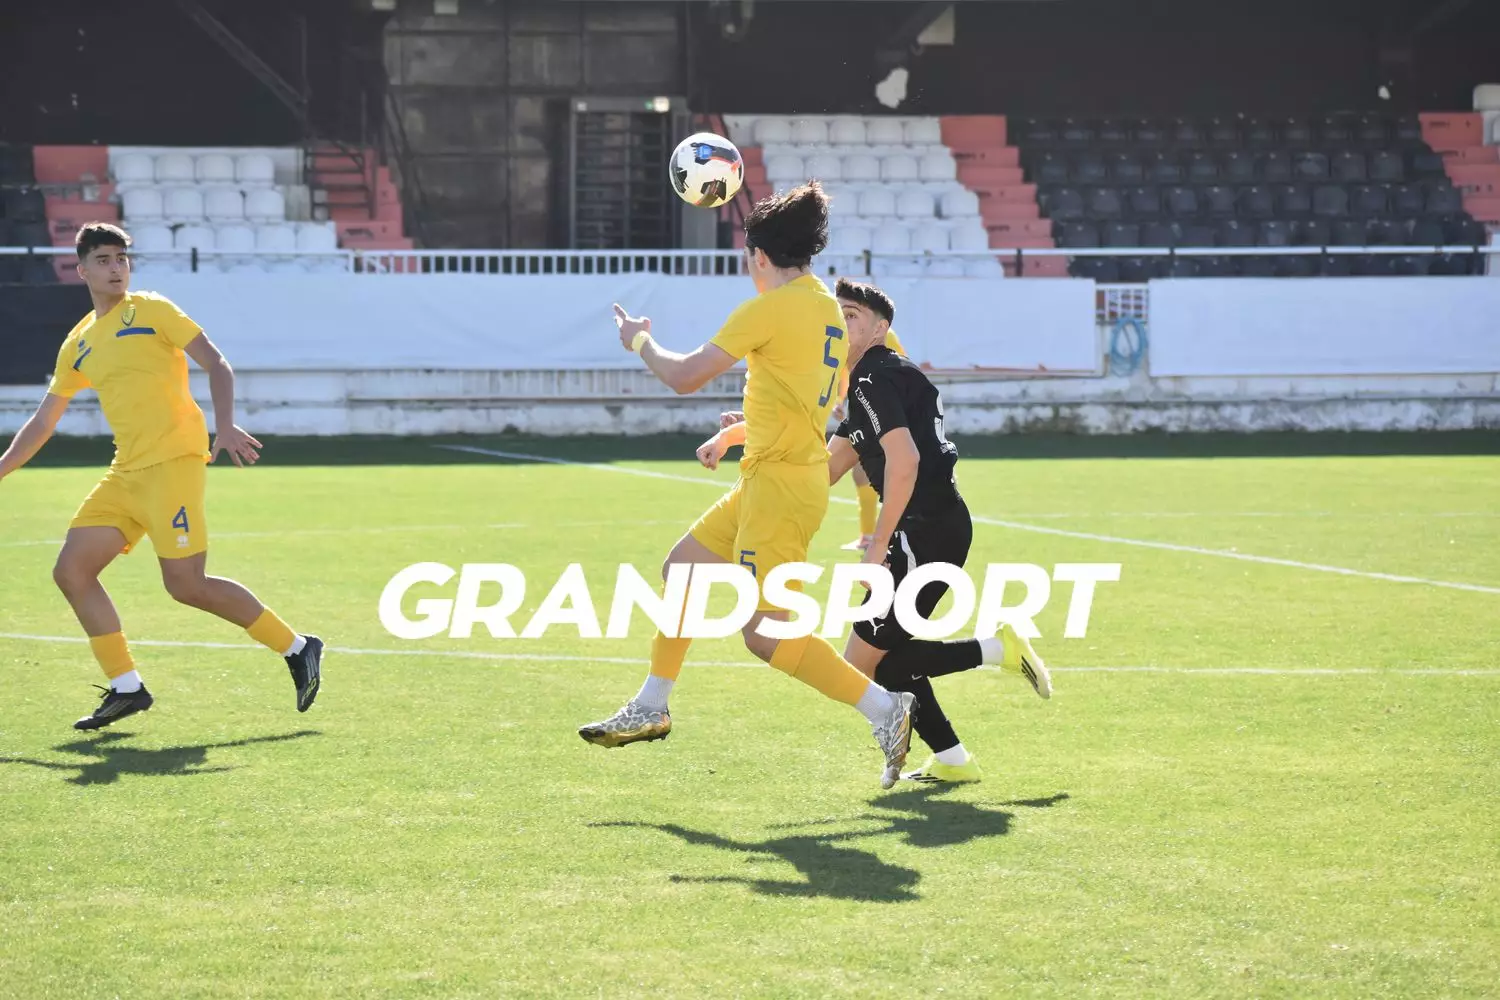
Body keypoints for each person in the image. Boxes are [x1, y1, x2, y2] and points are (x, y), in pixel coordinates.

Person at [576, 182, 917, 789]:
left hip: (780, 489)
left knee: (766, 635)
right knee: (683, 568)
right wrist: (745, 430)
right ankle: (652, 704)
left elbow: (685, 376)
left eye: (747, 257)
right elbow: (804, 394)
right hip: (774, 476)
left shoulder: (768, 308)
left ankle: (885, 708)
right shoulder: (826, 306)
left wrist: (640, 341)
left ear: (759, 256)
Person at [700, 278, 1052, 783]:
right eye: (837, 315)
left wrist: (878, 543)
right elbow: (823, 468)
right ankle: (953, 759)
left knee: (861, 663)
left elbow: (905, 463)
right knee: (883, 662)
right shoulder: (873, 385)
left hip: (924, 532)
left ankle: (998, 650)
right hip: (934, 529)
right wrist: (742, 434)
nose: (842, 324)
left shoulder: (872, 378)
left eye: (853, 316)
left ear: (880, 328)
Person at [0, 223, 323, 730]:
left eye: (121, 259)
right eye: (103, 260)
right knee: (72, 572)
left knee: (186, 586)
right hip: (125, 472)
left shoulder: (151, 309)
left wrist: (224, 425)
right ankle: (127, 687)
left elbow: (216, 363)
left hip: (174, 464)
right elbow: (44, 420)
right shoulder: (78, 342)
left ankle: (297, 647)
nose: (116, 268)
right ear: (81, 270)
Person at [836, 327, 907, 553]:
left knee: (877, 471)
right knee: (863, 471)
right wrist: (842, 400)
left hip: (884, 409)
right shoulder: (847, 333)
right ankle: (870, 536)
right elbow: (846, 371)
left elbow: (901, 369)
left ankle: (885, 536)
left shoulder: (883, 335)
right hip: (869, 409)